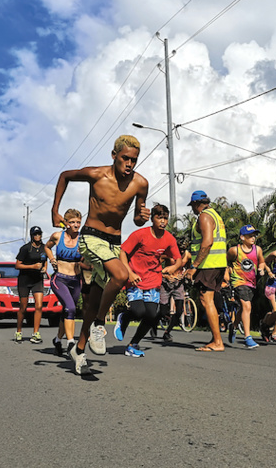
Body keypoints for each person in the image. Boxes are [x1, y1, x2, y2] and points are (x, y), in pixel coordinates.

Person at [51, 135, 150, 375]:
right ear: (114, 155)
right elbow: (65, 175)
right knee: (120, 274)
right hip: (91, 237)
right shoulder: (96, 175)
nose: (129, 163)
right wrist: (55, 210)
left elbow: (136, 218)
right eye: (125, 158)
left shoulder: (140, 183)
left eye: (133, 160)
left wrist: (141, 217)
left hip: (114, 242)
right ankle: (99, 325)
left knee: (94, 302)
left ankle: (80, 349)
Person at [115, 204, 181, 357]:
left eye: (165, 218)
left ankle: (133, 344)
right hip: (135, 278)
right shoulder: (140, 234)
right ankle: (124, 316)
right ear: (152, 219)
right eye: (159, 218)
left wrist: (172, 268)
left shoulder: (169, 238)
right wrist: (129, 273)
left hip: (153, 280)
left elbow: (178, 259)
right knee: (138, 312)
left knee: (152, 316)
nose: (163, 221)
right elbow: (122, 252)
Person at [186, 190, 227, 352]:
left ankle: (218, 342)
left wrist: (194, 266)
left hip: (208, 264)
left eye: (193, 206)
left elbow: (207, 242)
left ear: (197, 204)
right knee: (209, 299)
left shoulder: (204, 216)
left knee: (205, 299)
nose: (192, 210)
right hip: (218, 263)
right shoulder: (216, 215)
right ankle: (215, 338)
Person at [45, 209, 85, 358]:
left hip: (76, 280)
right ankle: (70, 343)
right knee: (70, 308)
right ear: (66, 223)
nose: (76, 225)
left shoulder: (82, 239)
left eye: (78, 222)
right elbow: (47, 247)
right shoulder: (57, 236)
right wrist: (52, 259)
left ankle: (57, 340)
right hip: (59, 279)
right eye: (73, 222)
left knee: (68, 312)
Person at [227, 225, 269, 349]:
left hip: (252, 282)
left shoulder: (258, 249)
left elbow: (261, 261)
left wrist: (261, 268)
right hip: (238, 282)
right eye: (250, 236)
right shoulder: (234, 250)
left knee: (244, 308)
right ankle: (248, 337)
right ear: (242, 237)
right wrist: (227, 272)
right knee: (247, 306)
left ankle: (234, 326)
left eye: (254, 235)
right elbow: (226, 261)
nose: (253, 238)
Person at [14, 226, 48, 344]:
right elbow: (17, 265)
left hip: (37, 280)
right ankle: (19, 331)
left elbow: (45, 261)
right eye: (35, 234)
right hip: (24, 280)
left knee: (39, 306)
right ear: (32, 236)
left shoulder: (44, 248)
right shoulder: (25, 248)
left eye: (39, 234)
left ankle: (36, 333)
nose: (37, 236)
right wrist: (32, 266)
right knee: (23, 307)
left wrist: (44, 269)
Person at [159, 237, 192, 343]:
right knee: (163, 311)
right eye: (179, 249)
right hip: (166, 283)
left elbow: (190, 266)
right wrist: (165, 275)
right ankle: (153, 323)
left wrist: (186, 274)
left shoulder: (187, 255)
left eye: (183, 249)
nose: (181, 252)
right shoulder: (168, 254)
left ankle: (167, 332)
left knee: (179, 311)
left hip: (179, 284)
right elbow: (156, 266)